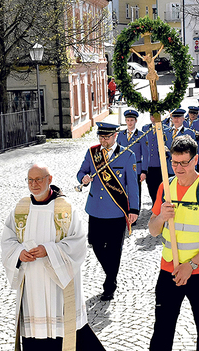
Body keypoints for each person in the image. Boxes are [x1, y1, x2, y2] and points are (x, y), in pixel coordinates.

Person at [1, 164, 106, 351]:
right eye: (30, 180)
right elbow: (7, 239)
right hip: (32, 287)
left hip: (59, 287)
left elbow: (79, 243)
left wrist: (49, 251)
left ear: (49, 179)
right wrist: (19, 253)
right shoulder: (21, 209)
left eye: (39, 179)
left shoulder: (65, 208)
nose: (34, 184)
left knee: (68, 335)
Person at [148, 135, 199, 351]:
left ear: (195, 160)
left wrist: (190, 265)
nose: (179, 168)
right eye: (174, 162)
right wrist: (161, 217)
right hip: (169, 270)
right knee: (162, 329)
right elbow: (153, 231)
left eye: (184, 163)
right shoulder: (165, 187)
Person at [77, 122, 139, 301]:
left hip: (117, 211)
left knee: (114, 250)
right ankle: (110, 273)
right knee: (95, 245)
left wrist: (133, 209)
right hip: (95, 209)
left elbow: (133, 186)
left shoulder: (128, 156)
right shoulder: (92, 153)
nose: (103, 140)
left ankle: (110, 283)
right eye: (100, 136)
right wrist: (84, 178)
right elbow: (81, 171)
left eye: (106, 137)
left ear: (115, 136)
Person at [118, 109, 149, 207]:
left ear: (136, 121)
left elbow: (146, 154)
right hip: (122, 168)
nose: (129, 123)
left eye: (132, 120)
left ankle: (135, 213)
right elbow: (116, 153)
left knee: (135, 192)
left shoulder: (141, 135)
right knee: (122, 191)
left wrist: (144, 171)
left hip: (136, 169)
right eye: (127, 120)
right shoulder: (120, 135)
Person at [143, 115, 170, 203]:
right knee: (151, 186)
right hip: (149, 164)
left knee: (162, 187)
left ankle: (161, 204)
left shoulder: (166, 129)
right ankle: (155, 205)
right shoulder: (145, 128)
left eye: (156, 116)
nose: (154, 118)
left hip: (161, 164)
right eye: (152, 116)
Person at [164, 109, 196, 176]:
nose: (176, 119)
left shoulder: (189, 132)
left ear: (183, 119)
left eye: (178, 117)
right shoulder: (166, 132)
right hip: (168, 166)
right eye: (174, 117)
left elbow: (192, 151)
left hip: (183, 166)